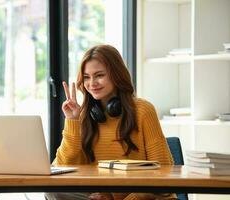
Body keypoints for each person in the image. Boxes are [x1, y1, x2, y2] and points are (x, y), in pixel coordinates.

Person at [45, 44, 176, 200]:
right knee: (53, 191)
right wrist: (72, 120)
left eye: (99, 75)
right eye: (86, 77)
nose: (92, 83)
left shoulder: (143, 110)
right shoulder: (84, 116)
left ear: (116, 75)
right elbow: (61, 168)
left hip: (145, 198)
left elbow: (164, 174)